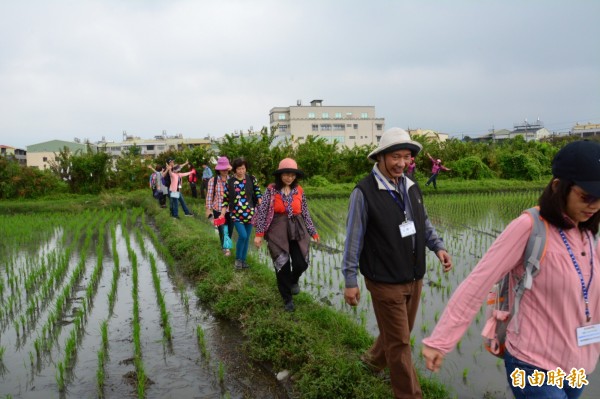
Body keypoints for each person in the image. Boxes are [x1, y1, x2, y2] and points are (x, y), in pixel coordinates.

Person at [422, 140, 600, 399]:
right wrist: (441, 340)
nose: (594, 206)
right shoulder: (530, 227)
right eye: (586, 197)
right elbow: (478, 282)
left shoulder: (588, 234)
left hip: (578, 361)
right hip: (533, 363)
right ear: (558, 187)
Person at [341, 127, 453, 399]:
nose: (401, 163)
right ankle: (410, 395)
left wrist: (437, 247)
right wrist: (350, 280)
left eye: (406, 157)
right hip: (384, 280)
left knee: (399, 333)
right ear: (380, 158)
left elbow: (422, 223)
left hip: (413, 276)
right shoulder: (364, 192)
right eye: (395, 157)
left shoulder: (412, 186)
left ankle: (372, 361)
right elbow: (353, 238)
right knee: (401, 343)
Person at [253, 158, 320, 312]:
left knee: (301, 263)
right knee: (282, 266)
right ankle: (287, 299)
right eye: (286, 174)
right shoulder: (271, 190)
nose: (289, 178)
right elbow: (263, 213)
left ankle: (293, 280)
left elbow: (305, 212)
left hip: (297, 228)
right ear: (280, 175)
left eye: (292, 175)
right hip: (277, 230)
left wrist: (313, 232)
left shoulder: (299, 190)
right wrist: (259, 234)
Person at [221, 158, 262, 270]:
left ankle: (243, 261)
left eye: (243, 168)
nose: (241, 171)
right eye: (239, 168)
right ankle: (238, 260)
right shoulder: (230, 182)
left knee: (247, 237)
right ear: (234, 169)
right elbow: (225, 199)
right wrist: (222, 214)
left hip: (250, 213)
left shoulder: (251, 179)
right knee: (242, 235)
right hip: (236, 214)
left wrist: (261, 205)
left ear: (246, 169)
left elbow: (258, 192)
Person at [205, 156, 234, 256]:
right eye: (222, 169)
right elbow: (209, 195)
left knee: (230, 229)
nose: (225, 171)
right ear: (218, 169)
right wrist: (208, 209)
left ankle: (226, 246)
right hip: (217, 209)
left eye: (226, 169)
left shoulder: (232, 180)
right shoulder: (213, 181)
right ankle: (226, 249)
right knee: (222, 228)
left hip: (230, 210)